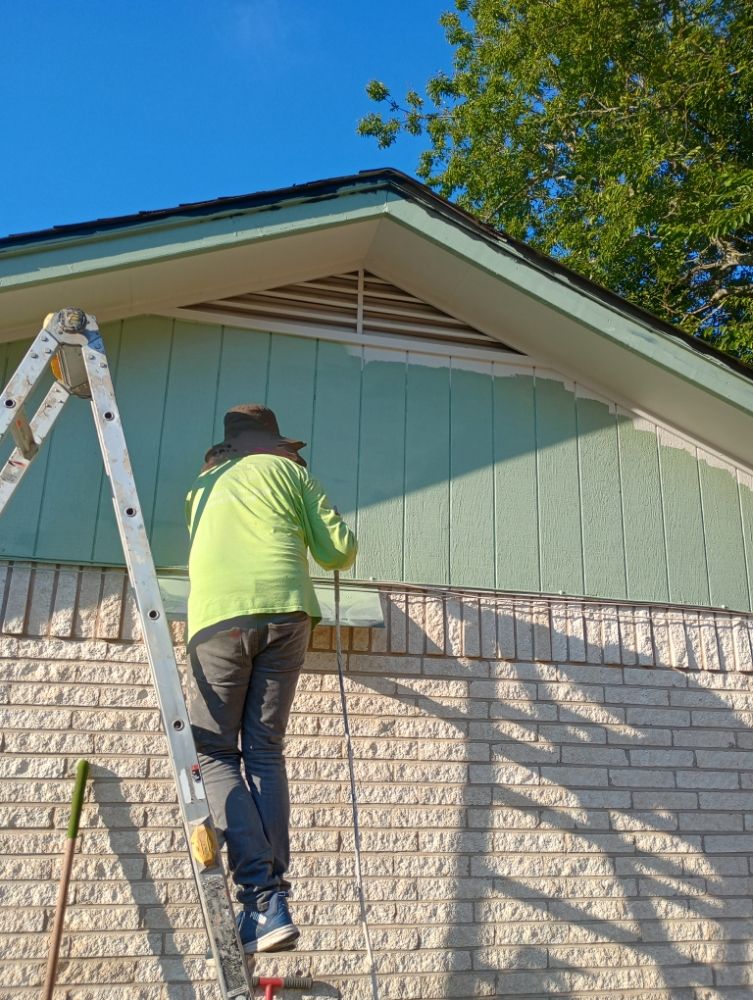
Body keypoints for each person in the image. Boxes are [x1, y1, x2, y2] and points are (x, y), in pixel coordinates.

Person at [185, 404, 357, 954]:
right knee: (263, 752)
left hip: (219, 619)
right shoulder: (290, 471)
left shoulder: (203, 487)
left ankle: (260, 898)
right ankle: (272, 900)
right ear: (275, 440)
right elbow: (339, 551)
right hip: (287, 614)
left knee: (213, 751)